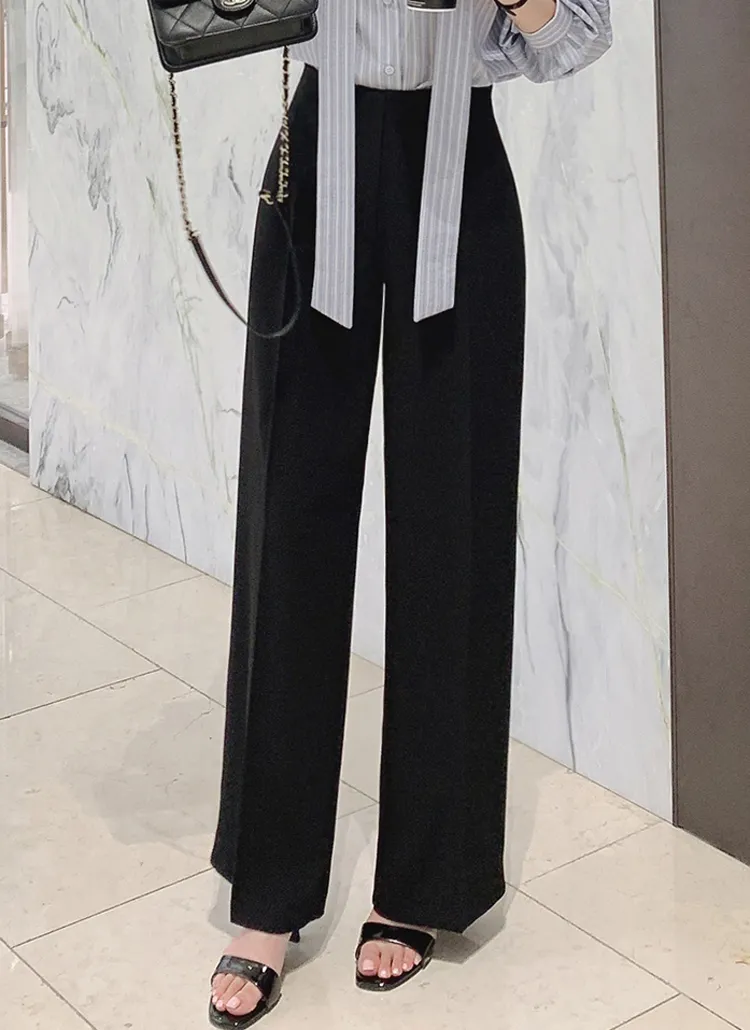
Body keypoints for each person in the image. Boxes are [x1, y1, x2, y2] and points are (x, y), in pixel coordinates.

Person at [208, 0, 612, 1025]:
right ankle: (268, 891)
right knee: (289, 522)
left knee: (453, 528)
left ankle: (425, 880)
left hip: (460, 166)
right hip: (318, 155)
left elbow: (577, 34)